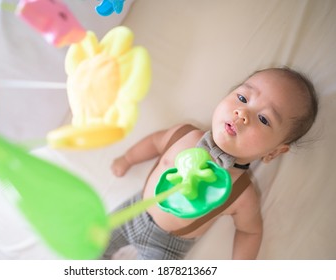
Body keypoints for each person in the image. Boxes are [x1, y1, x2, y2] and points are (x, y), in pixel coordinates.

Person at [102, 67, 318, 260]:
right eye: (242, 98)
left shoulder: (241, 193)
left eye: (263, 119)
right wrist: (128, 158)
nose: (242, 113)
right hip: (134, 210)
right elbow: (155, 142)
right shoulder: (183, 135)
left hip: (166, 245)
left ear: (274, 152)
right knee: (89, 246)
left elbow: (250, 231)